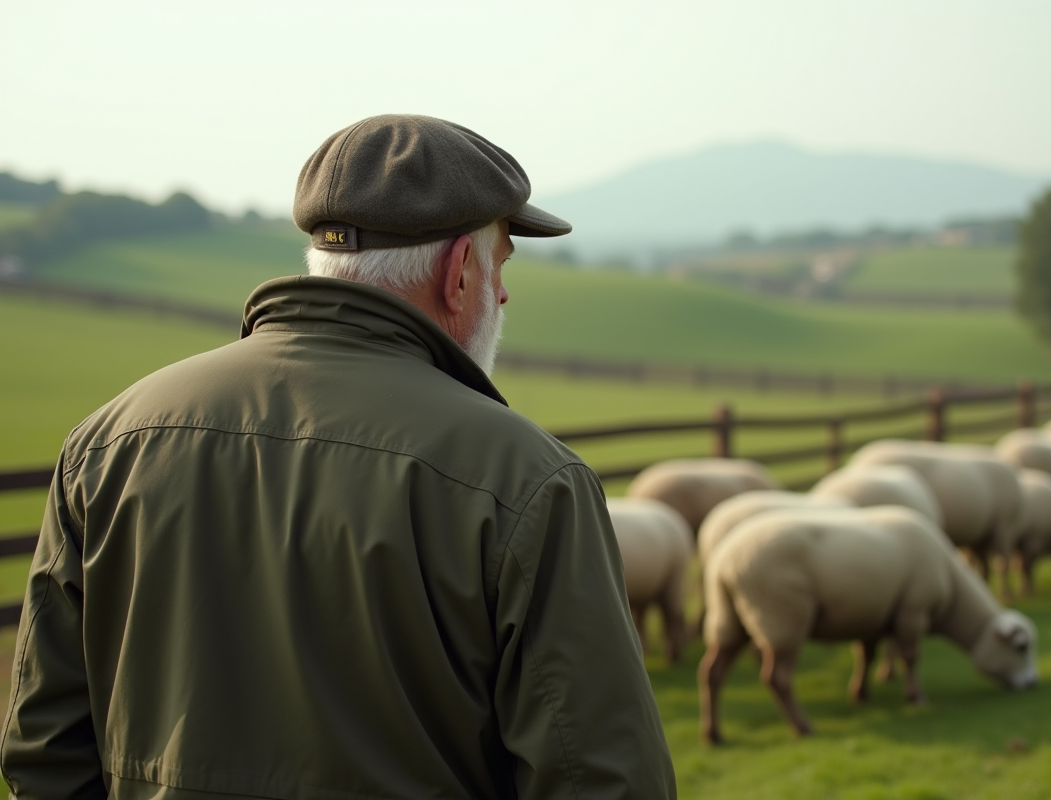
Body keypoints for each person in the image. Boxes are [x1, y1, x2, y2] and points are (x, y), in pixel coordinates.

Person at [1, 115, 676, 799]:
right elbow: (602, 779)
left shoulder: (107, 444)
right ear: (459, 270)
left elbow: (45, 752)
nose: (502, 293)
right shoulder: (526, 480)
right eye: (501, 262)